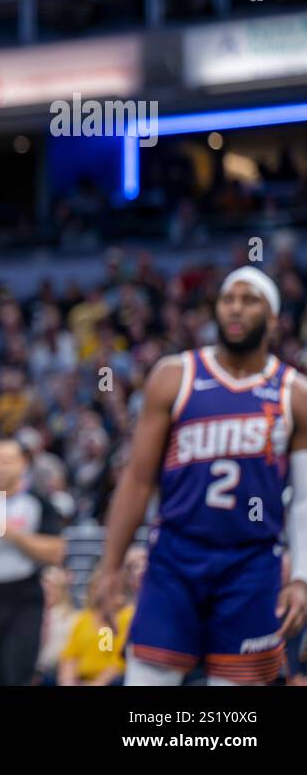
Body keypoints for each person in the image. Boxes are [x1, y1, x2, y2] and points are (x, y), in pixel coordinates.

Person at [102, 267, 307, 685]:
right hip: (176, 557)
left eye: (250, 300)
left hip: (252, 565)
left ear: (273, 319)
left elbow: (304, 499)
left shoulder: (294, 393)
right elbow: (138, 479)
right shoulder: (175, 376)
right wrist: (109, 565)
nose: (235, 307)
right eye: (228, 298)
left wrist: (302, 577)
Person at [0, 439, 67, 686]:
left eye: (9, 461)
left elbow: (57, 551)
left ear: (23, 463)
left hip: (25, 595)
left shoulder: (37, 501)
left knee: (20, 673)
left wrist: (12, 535)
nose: (2, 467)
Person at [57, 567, 133, 686]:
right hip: (81, 679)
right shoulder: (84, 618)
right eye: (95, 587)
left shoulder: (125, 617)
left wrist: (97, 683)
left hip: (112, 681)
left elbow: (119, 660)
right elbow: (70, 655)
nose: (98, 592)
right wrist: (68, 682)